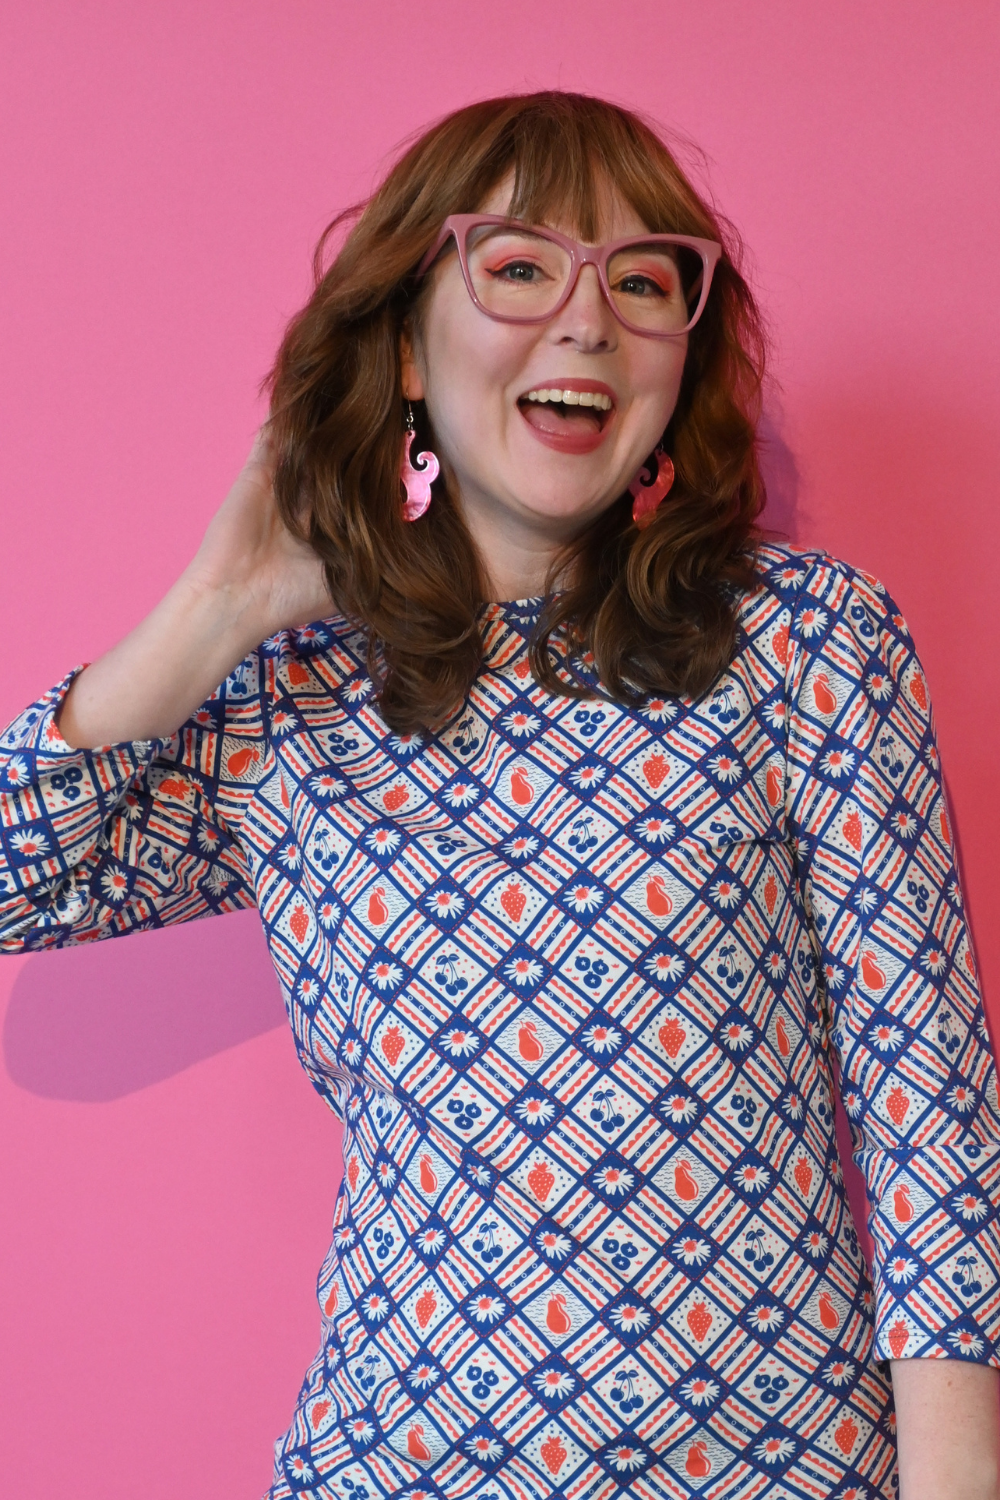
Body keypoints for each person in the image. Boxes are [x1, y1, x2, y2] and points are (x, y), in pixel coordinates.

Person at [1, 91, 998, 1500]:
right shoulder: (293, 699)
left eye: (644, 281)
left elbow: (929, 1112)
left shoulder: (805, 639)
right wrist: (215, 610)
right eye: (522, 265)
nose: (587, 320)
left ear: (679, 358)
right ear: (407, 342)